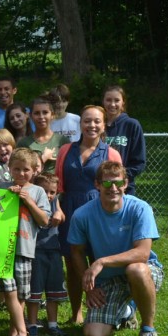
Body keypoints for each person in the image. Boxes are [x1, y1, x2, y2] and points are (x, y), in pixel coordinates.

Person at [69, 161, 163, 336]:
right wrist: (90, 289)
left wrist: (101, 261)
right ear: (97, 184)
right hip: (109, 279)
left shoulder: (140, 208)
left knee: (135, 269)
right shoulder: (82, 215)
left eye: (118, 183)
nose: (113, 188)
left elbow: (143, 253)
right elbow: (76, 252)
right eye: (106, 183)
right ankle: (127, 312)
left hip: (144, 271)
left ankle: (148, 330)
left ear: (125, 183)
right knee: (93, 335)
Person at [55, 105, 122, 324]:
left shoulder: (111, 153)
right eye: (86, 121)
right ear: (80, 123)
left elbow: (117, 188)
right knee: (73, 266)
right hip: (71, 212)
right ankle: (76, 313)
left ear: (104, 125)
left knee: (99, 263)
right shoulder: (65, 150)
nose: (91, 125)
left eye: (96, 121)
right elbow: (57, 186)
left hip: (99, 212)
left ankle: (103, 311)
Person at [0, 148, 52, 336]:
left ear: (34, 171)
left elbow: (45, 220)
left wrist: (27, 200)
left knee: (20, 293)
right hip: (2, 248)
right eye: (17, 169)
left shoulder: (37, 191)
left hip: (24, 248)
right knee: (7, 287)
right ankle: (22, 331)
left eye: (26, 170)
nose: (21, 174)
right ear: (9, 169)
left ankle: (16, 332)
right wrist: (8, 195)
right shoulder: (2, 187)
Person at [27, 173, 68, 336]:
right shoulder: (31, 203)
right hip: (36, 251)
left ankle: (53, 324)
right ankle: (32, 323)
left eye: (52, 191)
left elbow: (62, 215)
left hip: (54, 251)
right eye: (44, 191)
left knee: (54, 290)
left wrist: (59, 213)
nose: (48, 195)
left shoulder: (54, 201)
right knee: (34, 291)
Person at [103, 85, 146, 196]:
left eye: (116, 100)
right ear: (103, 101)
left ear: (123, 103)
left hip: (124, 187)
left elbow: (139, 162)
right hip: (100, 187)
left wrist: (119, 177)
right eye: (108, 100)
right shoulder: (98, 125)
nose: (112, 104)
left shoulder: (132, 125)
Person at [18, 96, 70, 174]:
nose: (41, 117)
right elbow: (20, 173)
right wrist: (42, 158)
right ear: (31, 116)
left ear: (52, 115)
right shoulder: (23, 143)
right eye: (37, 113)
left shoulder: (63, 141)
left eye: (45, 112)